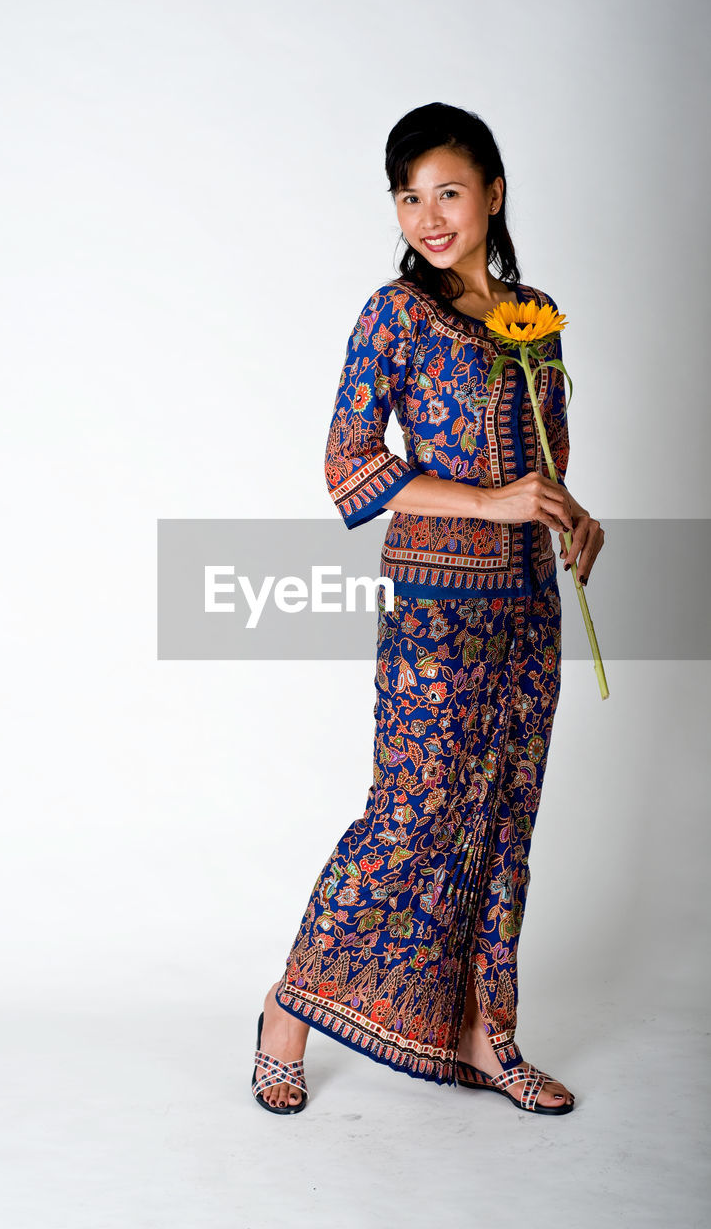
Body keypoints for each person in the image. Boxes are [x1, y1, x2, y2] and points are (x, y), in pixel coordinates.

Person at [251, 102, 604, 1117]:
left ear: (494, 191)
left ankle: (487, 1035)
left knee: (504, 818)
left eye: (448, 190)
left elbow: (540, 462)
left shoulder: (536, 314)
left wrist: (570, 514)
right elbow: (350, 465)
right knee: (409, 819)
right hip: (437, 612)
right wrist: (488, 503)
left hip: (528, 610)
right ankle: (287, 1009)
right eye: (410, 196)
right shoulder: (392, 315)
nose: (428, 215)